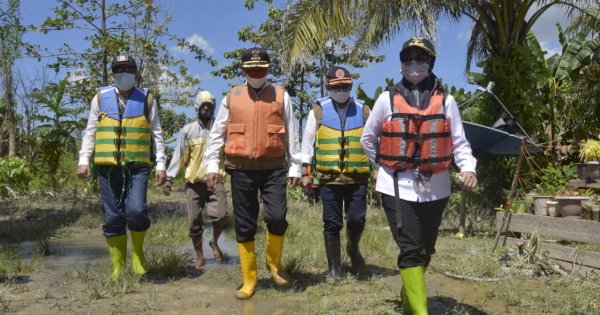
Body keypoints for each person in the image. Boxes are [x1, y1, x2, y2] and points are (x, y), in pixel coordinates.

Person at [360, 36, 477, 315]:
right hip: (397, 186)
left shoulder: (446, 101)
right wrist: (387, 167)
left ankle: (409, 295)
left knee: (425, 249)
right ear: (401, 64)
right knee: (410, 247)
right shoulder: (385, 99)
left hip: (437, 186)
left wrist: (468, 168)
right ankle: (420, 311)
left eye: (420, 59)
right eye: (408, 59)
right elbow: (368, 139)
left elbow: (459, 142)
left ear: (430, 63)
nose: (413, 64)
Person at [204, 47, 302, 299]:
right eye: (251, 70)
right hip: (241, 170)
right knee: (245, 225)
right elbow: (217, 134)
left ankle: (275, 265)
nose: (257, 74)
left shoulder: (281, 96)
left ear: (268, 69)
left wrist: (296, 166)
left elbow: (292, 133)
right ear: (244, 71)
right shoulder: (231, 97)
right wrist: (211, 166)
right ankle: (249, 279)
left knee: (277, 217)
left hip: (273, 170)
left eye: (261, 69)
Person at [77, 53, 167, 281]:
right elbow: (90, 131)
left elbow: (156, 133)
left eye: (128, 69)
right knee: (112, 217)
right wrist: (83, 160)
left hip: (137, 166)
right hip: (108, 168)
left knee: (136, 211)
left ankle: (138, 255)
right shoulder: (100, 98)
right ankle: (118, 267)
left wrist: (161, 165)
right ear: (112, 74)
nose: (123, 74)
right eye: (119, 70)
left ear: (136, 73)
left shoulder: (147, 99)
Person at [300, 66, 371, 280]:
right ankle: (334, 267)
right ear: (327, 86)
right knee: (332, 222)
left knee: (357, 219)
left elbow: (373, 142)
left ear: (350, 85)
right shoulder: (318, 110)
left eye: (345, 86)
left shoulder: (363, 109)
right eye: (337, 86)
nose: (341, 89)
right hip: (328, 178)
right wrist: (305, 170)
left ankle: (352, 248)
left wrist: (378, 169)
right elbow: (308, 140)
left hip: (356, 177)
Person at [163, 90, 228, 269]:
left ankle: (214, 242)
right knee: (194, 222)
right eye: (203, 105)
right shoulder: (188, 130)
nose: (206, 108)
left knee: (221, 216)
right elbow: (179, 157)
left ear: (214, 108)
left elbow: (229, 154)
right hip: (194, 182)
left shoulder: (221, 129)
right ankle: (200, 256)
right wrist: (169, 178)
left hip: (217, 181)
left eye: (210, 106)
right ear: (197, 108)